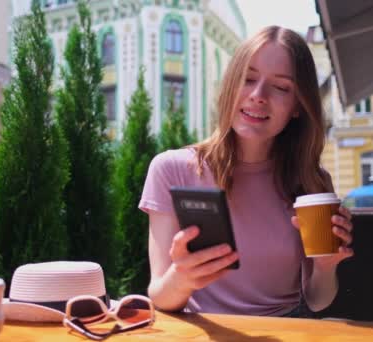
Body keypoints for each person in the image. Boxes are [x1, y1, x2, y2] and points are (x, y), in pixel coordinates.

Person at [139, 26, 353, 317]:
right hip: (207, 332)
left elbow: (318, 300)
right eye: (248, 79)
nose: (258, 95)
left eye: (281, 87)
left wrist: (326, 267)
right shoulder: (171, 170)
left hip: (288, 331)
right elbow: (161, 297)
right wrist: (182, 278)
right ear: (229, 86)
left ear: (297, 107)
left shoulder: (312, 181)